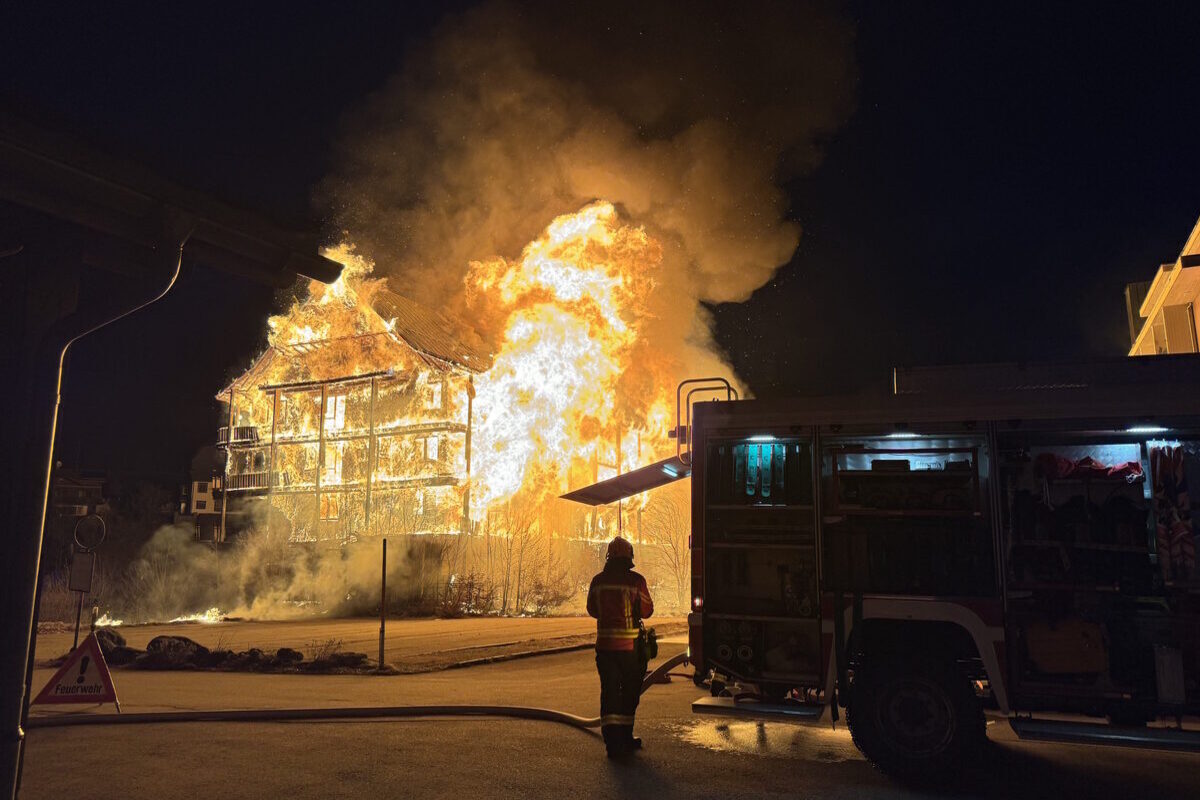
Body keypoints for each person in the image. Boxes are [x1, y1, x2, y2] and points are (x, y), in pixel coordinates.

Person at [586, 536, 654, 758]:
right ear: (629, 557)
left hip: (604, 649)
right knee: (629, 694)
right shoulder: (636, 581)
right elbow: (647, 611)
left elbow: (592, 610)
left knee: (610, 694)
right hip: (629, 649)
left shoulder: (598, 581)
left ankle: (612, 744)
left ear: (609, 556)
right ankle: (625, 737)